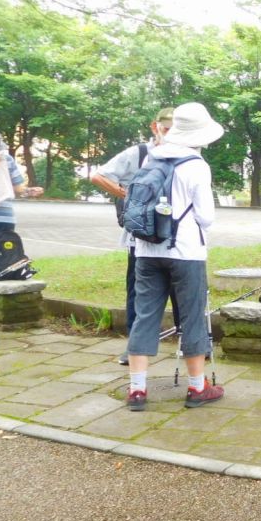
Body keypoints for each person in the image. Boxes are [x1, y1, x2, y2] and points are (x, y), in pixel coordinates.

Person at [125, 102, 224, 413]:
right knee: (192, 316)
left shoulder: (151, 157)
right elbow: (206, 218)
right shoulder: (196, 165)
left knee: (145, 317)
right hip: (185, 252)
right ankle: (198, 388)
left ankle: (137, 390)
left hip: (145, 249)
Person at [90, 108, 178, 366]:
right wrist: (129, 196)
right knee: (138, 293)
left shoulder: (185, 155)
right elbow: (98, 175)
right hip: (139, 239)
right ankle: (134, 347)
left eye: (176, 128)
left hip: (176, 237)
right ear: (155, 127)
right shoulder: (138, 154)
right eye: (166, 128)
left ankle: (191, 344)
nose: (170, 133)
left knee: (181, 293)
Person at [0, 131, 44, 232]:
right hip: (5, 219)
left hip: (4, 218)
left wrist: (29, 191)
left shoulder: (7, 159)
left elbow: (16, 187)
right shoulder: (6, 159)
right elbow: (17, 188)